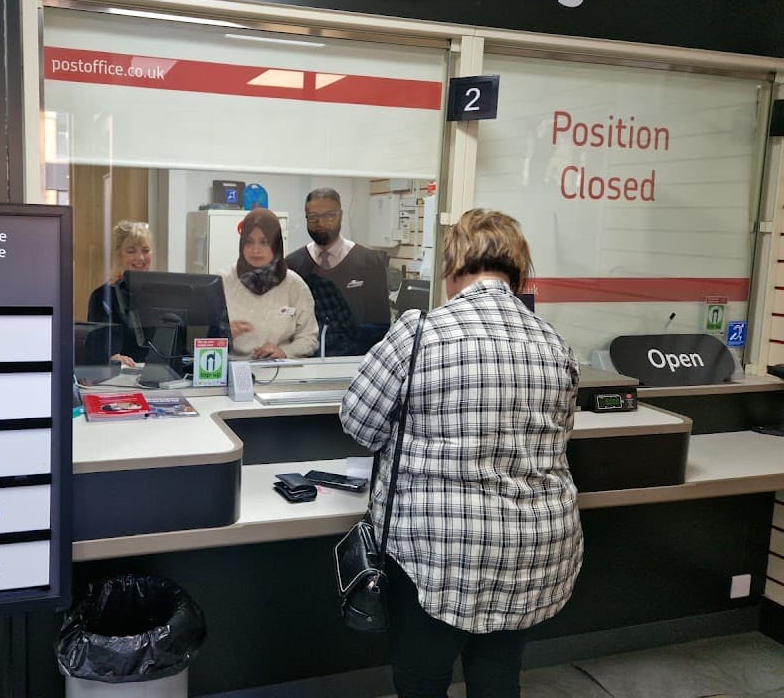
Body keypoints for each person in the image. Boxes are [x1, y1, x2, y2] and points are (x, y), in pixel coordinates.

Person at [339, 208, 582, 698]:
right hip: (532, 552)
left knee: (421, 678)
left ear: (452, 268)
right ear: (518, 272)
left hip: (439, 554)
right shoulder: (554, 342)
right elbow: (559, 435)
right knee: (497, 675)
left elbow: (359, 424)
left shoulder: (420, 333)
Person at [285, 188, 390, 350]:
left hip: (356, 362)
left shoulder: (369, 262)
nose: (320, 223)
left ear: (340, 216)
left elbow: (380, 326)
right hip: (305, 361)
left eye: (329, 215)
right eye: (313, 217)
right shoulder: (292, 265)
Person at [222, 208, 318, 359]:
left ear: (276, 244)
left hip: (281, 370)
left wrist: (286, 352)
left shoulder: (294, 285)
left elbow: (309, 339)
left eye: (264, 242)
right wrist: (223, 332)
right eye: (249, 242)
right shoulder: (223, 280)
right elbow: (199, 337)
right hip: (232, 370)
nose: (255, 249)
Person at [87, 220, 153, 367]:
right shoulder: (103, 296)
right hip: (123, 377)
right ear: (118, 255)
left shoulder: (163, 294)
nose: (140, 258)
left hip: (164, 377)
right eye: (131, 251)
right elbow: (101, 346)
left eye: (145, 250)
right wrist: (112, 356)